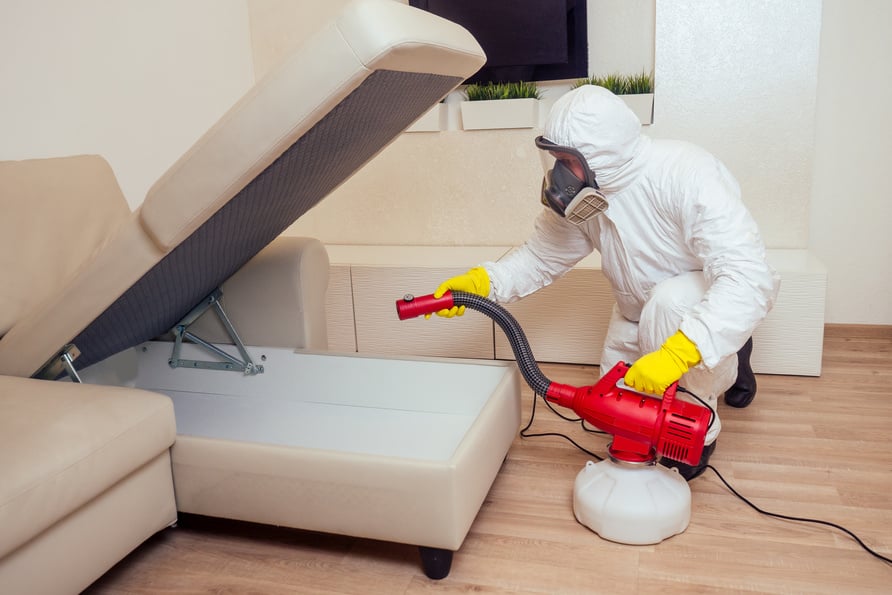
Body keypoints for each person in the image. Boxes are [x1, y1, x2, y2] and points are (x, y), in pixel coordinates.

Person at [432, 85, 780, 480]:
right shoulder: (590, 193)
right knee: (617, 417)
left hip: (690, 301)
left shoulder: (686, 173)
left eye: (567, 160)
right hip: (636, 308)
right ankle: (724, 346)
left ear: (601, 152)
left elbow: (746, 275)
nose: (559, 173)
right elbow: (541, 255)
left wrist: (681, 350)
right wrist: (483, 283)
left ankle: (705, 420)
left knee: (670, 308)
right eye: (555, 159)